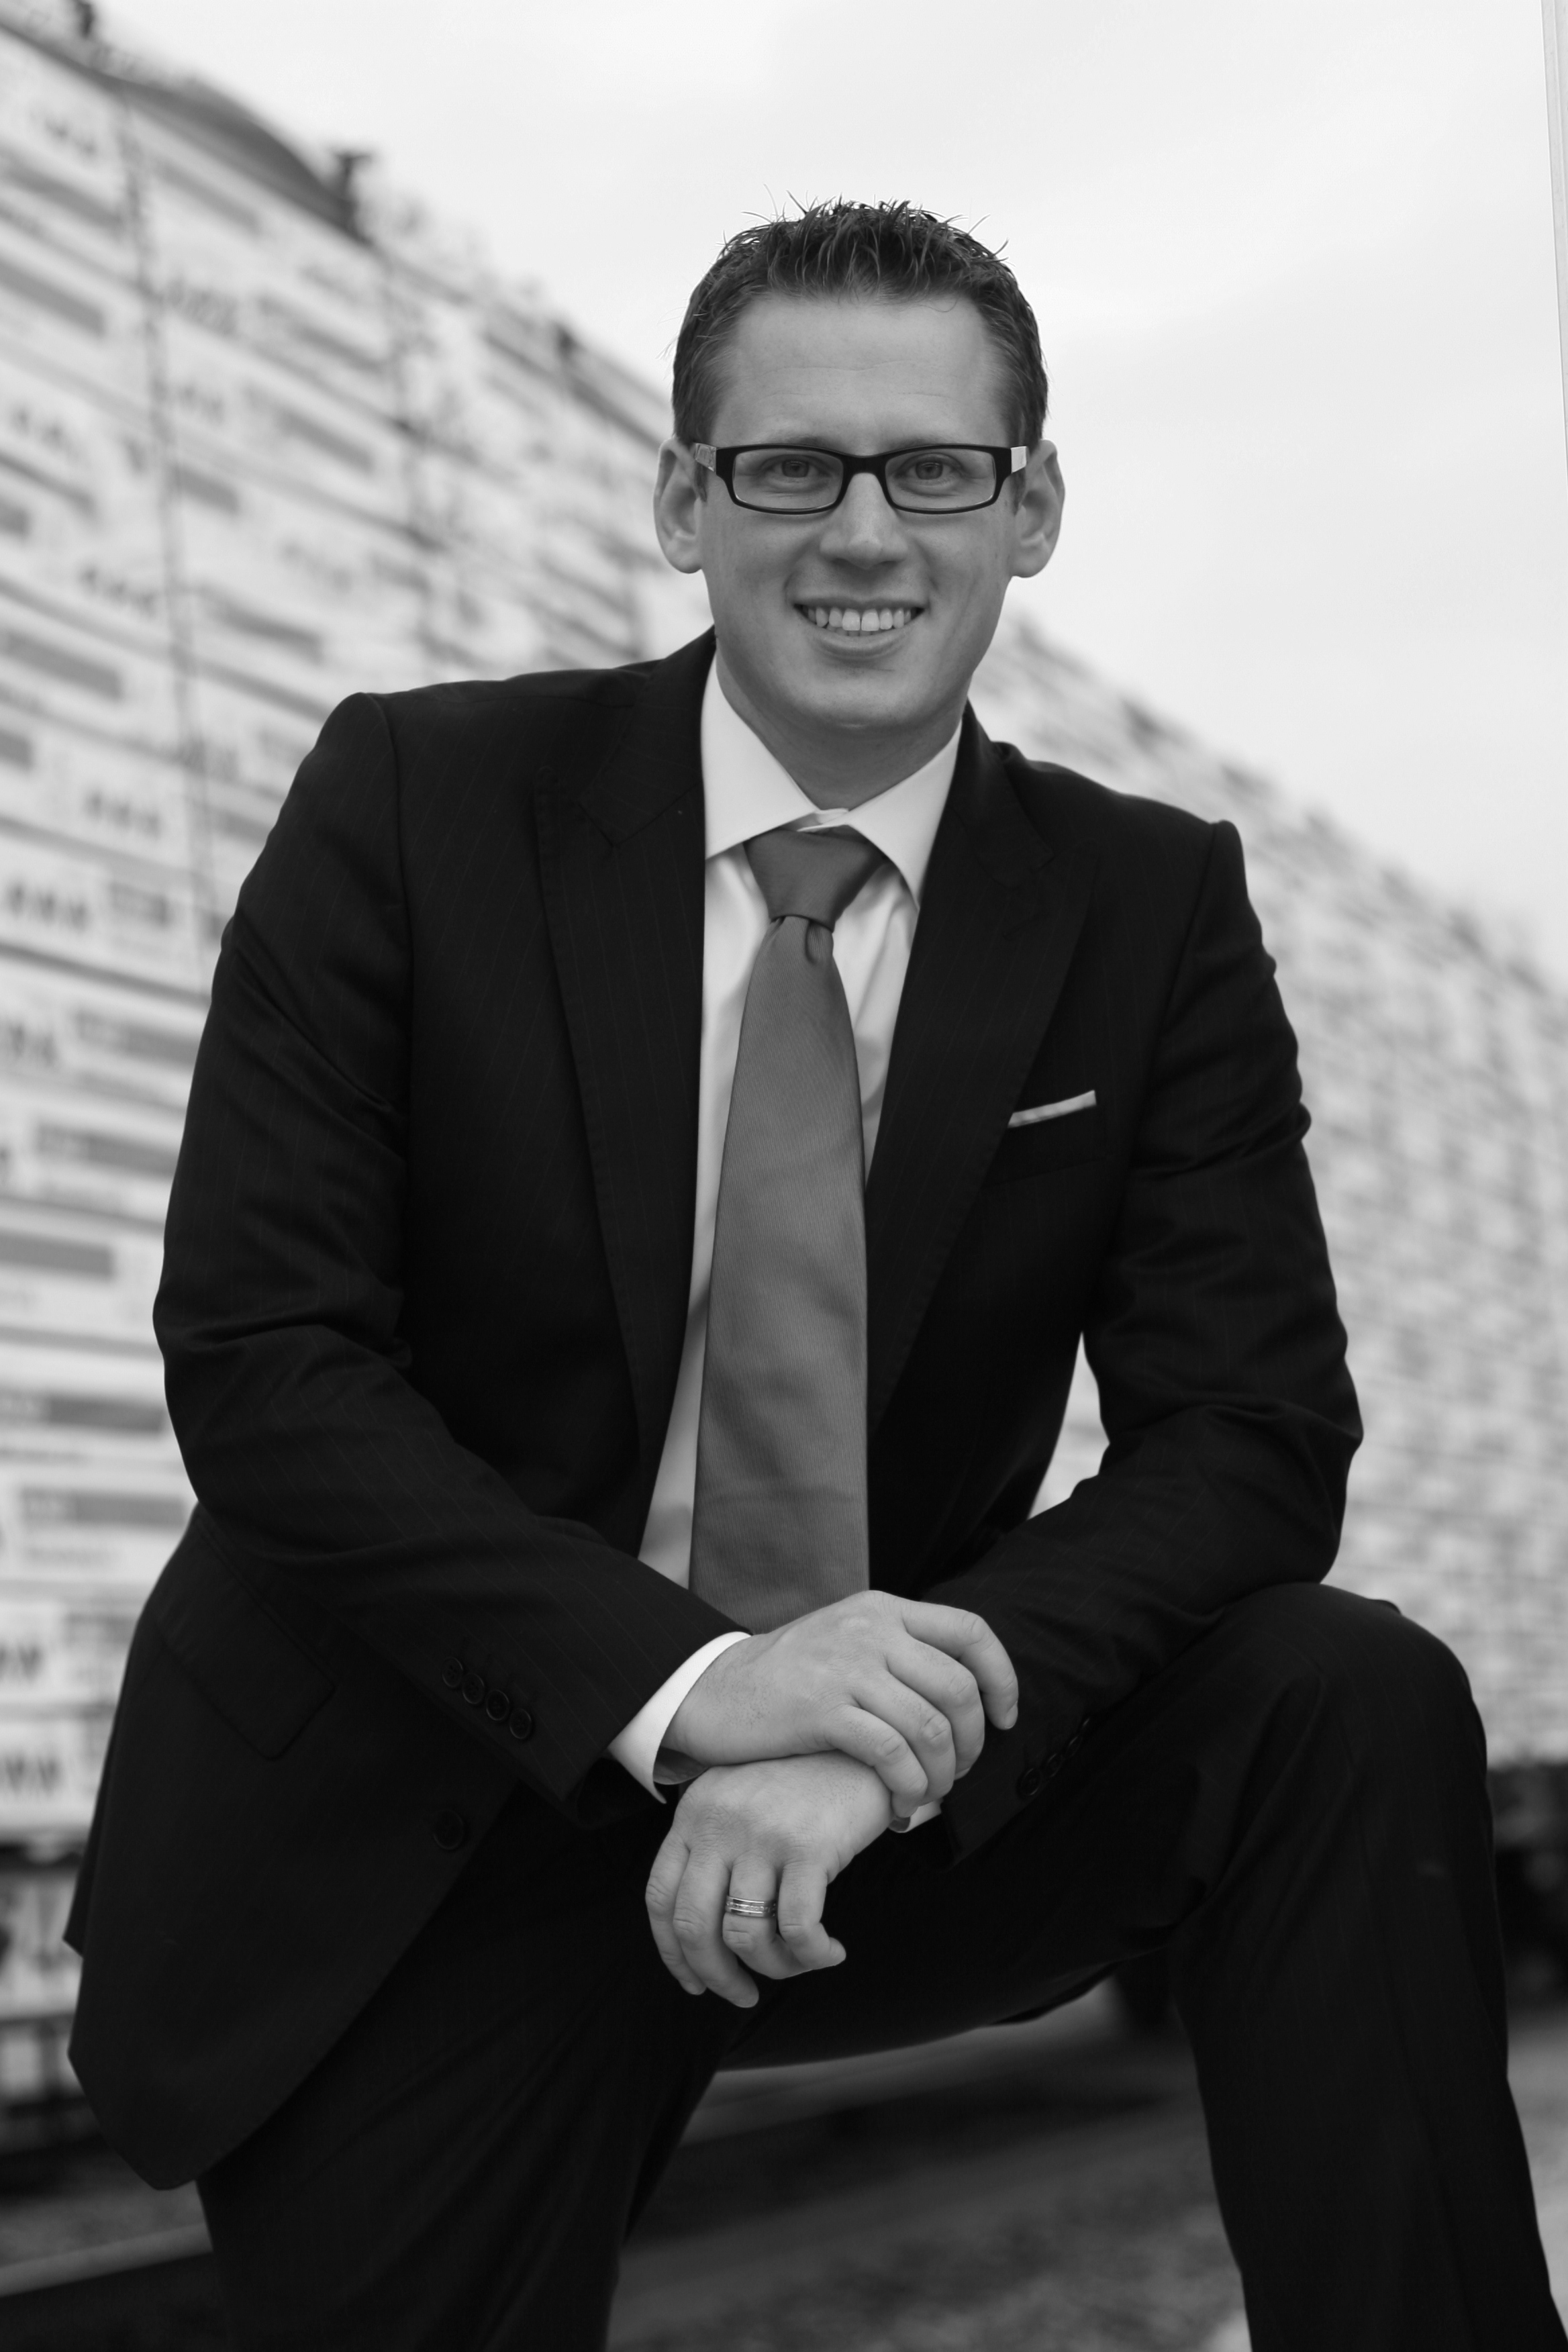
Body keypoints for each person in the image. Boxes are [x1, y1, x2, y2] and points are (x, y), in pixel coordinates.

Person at [66, 201, 1562, 2352]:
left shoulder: (1144, 907)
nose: (866, 533)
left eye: (934, 469)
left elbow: (1249, 1433)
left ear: (1030, 508)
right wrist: (695, 1695)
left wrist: (883, 1726)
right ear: (686, 501)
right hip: (452, 1791)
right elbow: (269, 1361)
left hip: (887, 1796)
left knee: (1341, 1699)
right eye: (791, 468)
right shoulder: (417, 800)